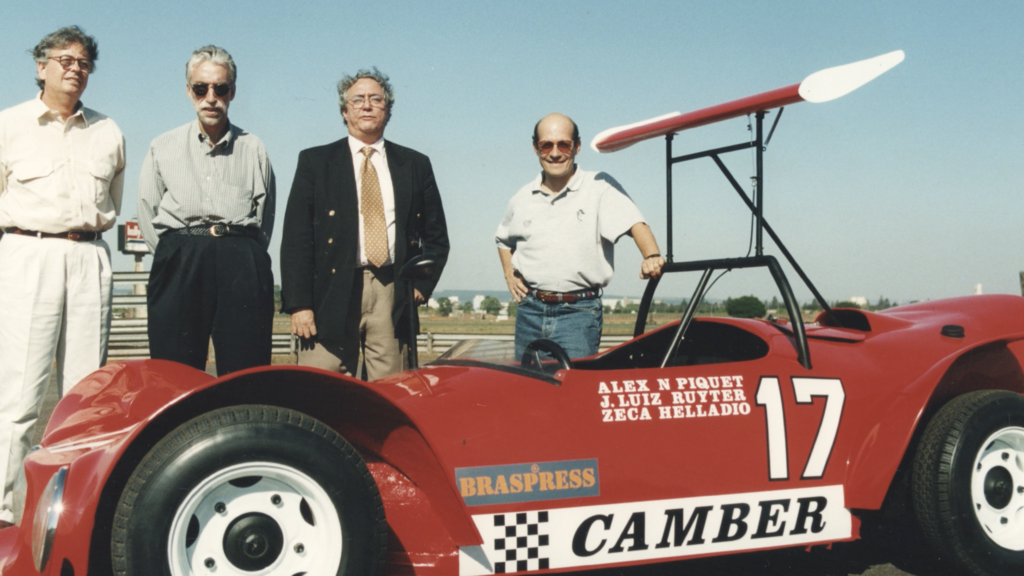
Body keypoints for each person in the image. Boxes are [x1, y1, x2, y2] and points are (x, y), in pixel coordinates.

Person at [0, 26, 125, 528]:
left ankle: (72, 513)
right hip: (28, 252)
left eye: (84, 62)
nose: (75, 68)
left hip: (89, 256)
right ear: (41, 66)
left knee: (84, 396)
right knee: (20, 395)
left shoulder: (108, 131)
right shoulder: (9, 125)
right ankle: (6, 512)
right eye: (65, 59)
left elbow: (111, 203)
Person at [281, 67, 449, 380]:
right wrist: (299, 304)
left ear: (388, 110)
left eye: (376, 99)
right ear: (344, 111)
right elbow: (296, 239)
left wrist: (421, 286)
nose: (367, 105)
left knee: (393, 391)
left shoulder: (415, 164)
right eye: (357, 100)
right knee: (322, 392)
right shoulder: (315, 162)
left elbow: (437, 236)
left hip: (392, 291)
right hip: (329, 294)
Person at [138, 45, 275, 375]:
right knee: (174, 370)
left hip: (240, 258)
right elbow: (146, 208)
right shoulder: (163, 146)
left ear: (232, 92)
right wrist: (177, 253)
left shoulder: (253, 147)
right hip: (181, 259)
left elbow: (265, 217)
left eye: (220, 88)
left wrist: (240, 254)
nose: (210, 97)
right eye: (201, 88)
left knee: (247, 369)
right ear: (189, 91)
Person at [496, 113, 665, 361]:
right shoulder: (522, 197)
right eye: (546, 145)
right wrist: (509, 275)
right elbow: (502, 240)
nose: (555, 153)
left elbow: (635, 223)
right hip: (529, 312)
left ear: (577, 146)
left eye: (563, 144)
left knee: (570, 389)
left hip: (578, 313)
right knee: (527, 389)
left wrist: (651, 255)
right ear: (536, 148)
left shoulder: (599, 185)